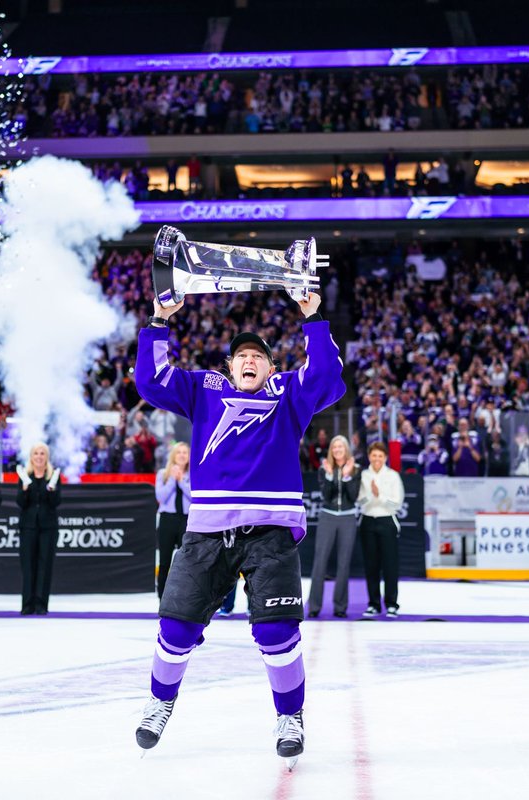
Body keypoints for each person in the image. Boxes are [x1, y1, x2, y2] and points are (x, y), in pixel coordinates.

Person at [132, 289, 344, 766]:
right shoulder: (204, 389)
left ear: (270, 367)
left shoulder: (287, 392)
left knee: (277, 632)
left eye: (259, 356)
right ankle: (159, 702)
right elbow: (150, 381)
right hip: (207, 530)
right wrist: (158, 321)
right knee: (175, 625)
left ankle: (290, 716)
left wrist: (311, 315)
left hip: (270, 531)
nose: (250, 361)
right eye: (242, 355)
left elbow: (328, 376)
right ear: (230, 366)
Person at [309, 435, 359, 619]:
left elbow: (353, 497)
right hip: (328, 517)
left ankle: (340, 607)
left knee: (344, 563)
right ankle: (314, 606)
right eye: (334, 447)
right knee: (320, 562)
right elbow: (327, 496)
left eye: (341, 446)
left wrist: (346, 476)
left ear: (346, 449)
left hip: (347, 518)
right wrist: (330, 475)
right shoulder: (324, 469)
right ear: (331, 450)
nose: (337, 449)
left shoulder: (356, 469)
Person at [357, 441, 405, 618]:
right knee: (371, 565)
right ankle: (374, 604)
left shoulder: (393, 476)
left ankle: (392, 604)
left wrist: (380, 495)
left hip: (387, 522)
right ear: (369, 457)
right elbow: (360, 501)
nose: (377, 459)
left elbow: (397, 503)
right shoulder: (363, 475)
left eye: (380, 456)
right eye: (374, 455)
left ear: (385, 458)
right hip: (368, 521)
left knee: (390, 565)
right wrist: (370, 495)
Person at [16, 443, 62, 615]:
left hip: (48, 528)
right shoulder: (24, 476)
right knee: (28, 566)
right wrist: (25, 489)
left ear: (46, 457)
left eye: (42, 453)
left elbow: (57, 502)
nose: (39, 456)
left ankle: (41, 604)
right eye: (36, 453)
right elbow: (20, 503)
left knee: (45, 565)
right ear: (31, 456)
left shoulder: (53, 476)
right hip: (28, 527)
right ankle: (27, 604)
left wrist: (51, 490)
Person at [154, 442, 191, 599]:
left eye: (185, 452)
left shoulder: (192, 474)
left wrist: (181, 481)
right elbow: (160, 497)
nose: (182, 455)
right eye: (179, 452)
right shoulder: (163, 473)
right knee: (164, 561)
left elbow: (194, 497)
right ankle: (162, 598)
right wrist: (172, 480)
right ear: (173, 456)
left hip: (186, 520)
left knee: (187, 562)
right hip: (167, 520)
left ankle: (185, 596)